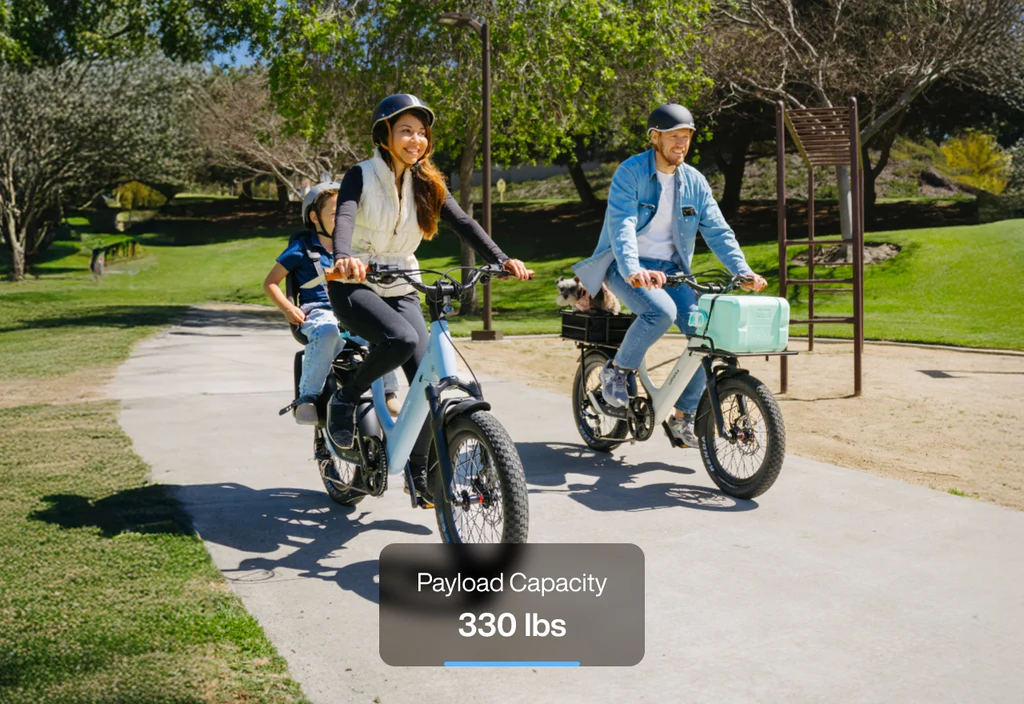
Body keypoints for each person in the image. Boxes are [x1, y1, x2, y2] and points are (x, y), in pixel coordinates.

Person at [325, 94, 533, 500]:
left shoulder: (427, 182)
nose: (415, 140)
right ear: (385, 135)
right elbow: (345, 215)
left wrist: (502, 260)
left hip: (402, 281)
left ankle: (419, 472)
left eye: (421, 133)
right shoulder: (361, 175)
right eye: (405, 131)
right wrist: (343, 257)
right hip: (354, 283)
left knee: (429, 380)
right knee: (400, 340)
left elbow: (463, 222)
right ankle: (346, 397)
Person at [573, 103, 767, 448]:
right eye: (675, 136)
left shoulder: (694, 181)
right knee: (659, 312)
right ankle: (616, 372)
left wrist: (743, 270)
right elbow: (623, 225)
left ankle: (682, 416)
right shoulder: (630, 173)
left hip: (673, 272)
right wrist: (633, 269)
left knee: (706, 335)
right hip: (623, 265)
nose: (682, 144)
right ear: (655, 138)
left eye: (687, 137)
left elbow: (718, 231)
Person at [263, 182, 401, 425]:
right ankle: (307, 397)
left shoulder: (357, 248)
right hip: (319, 312)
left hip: (350, 310)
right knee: (327, 331)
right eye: (337, 213)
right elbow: (271, 282)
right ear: (315, 217)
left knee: (385, 333)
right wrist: (288, 308)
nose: (345, 218)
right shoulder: (302, 248)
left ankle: (389, 391)